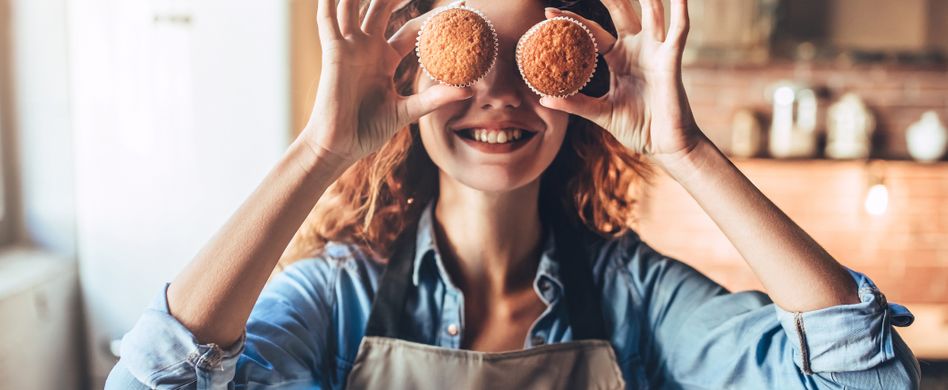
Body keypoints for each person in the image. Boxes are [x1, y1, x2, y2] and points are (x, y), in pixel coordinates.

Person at [105, 0, 920, 388]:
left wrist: (687, 150)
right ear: (411, 77)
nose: (499, 95)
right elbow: (149, 385)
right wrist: (320, 151)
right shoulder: (338, 300)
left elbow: (869, 381)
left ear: (575, 86)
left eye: (527, 58)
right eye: (468, 57)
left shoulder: (635, 299)